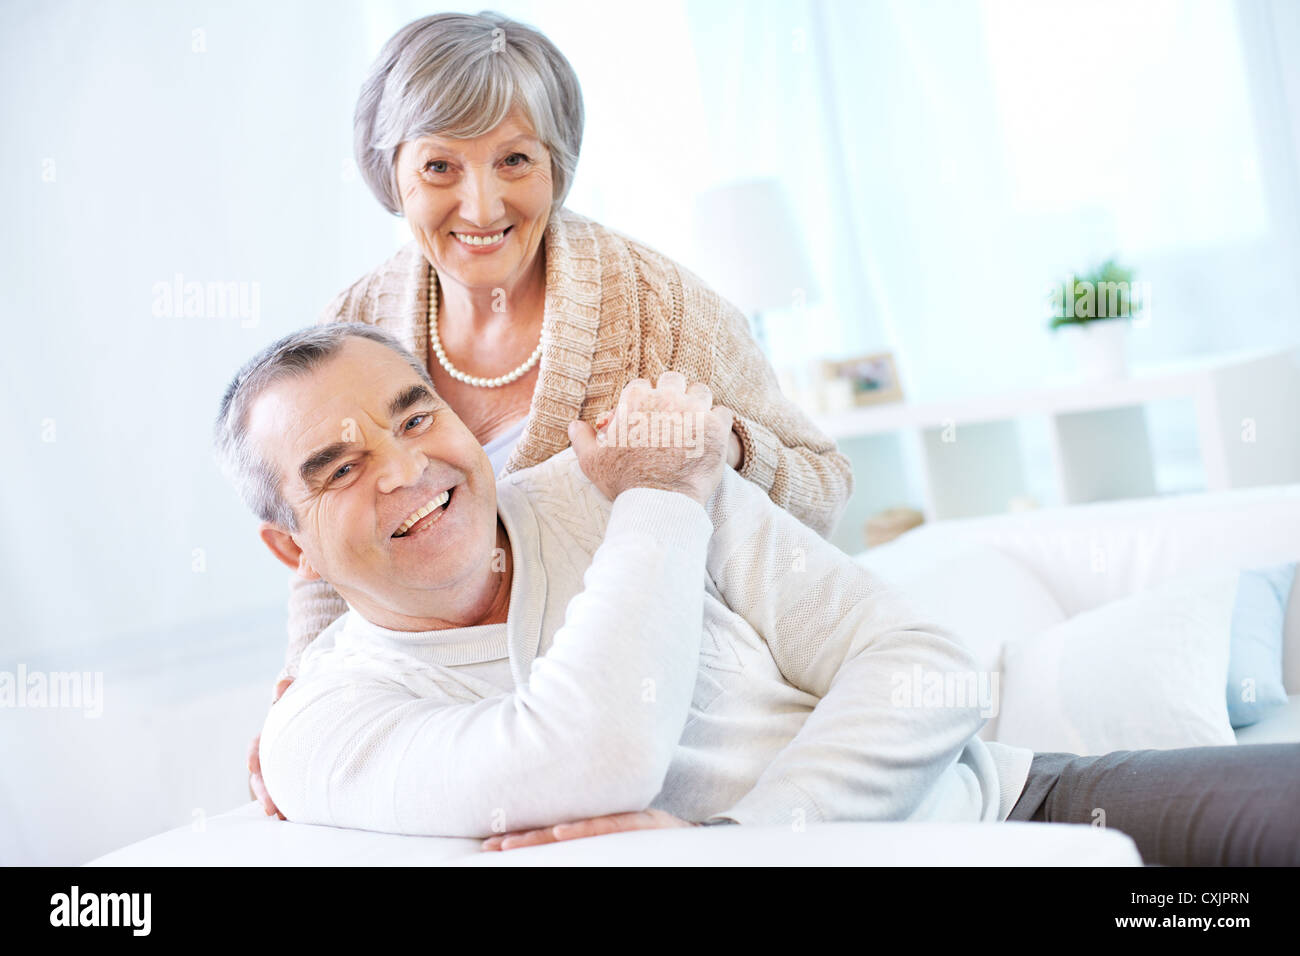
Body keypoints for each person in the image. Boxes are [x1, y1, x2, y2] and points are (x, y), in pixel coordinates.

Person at [216, 324, 1300, 865]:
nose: (407, 468)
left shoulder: (601, 486)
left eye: (414, 416)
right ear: (288, 547)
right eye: (337, 467)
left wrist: (751, 831)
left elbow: (927, 664)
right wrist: (661, 502)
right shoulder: (319, 725)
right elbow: (589, 754)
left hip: (1014, 802)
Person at [251, 10, 856, 815]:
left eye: (514, 159)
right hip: (488, 745)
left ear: (557, 165)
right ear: (388, 173)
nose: (482, 202)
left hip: (684, 733)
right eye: (439, 167)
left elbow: (826, 489)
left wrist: (717, 450)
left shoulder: (660, 306)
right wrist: (303, 690)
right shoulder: (357, 319)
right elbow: (332, 531)